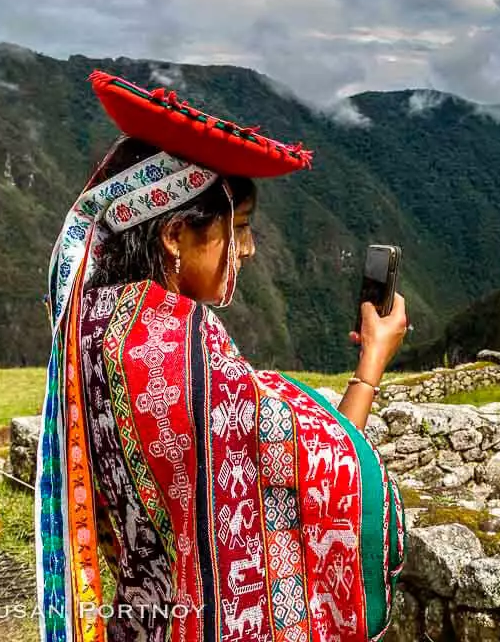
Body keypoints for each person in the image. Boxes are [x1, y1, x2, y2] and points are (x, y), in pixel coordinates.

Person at [37, 71, 407, 642]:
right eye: (239, 228)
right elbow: (323, 474)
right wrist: (372, 365)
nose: (250, 249)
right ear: (176, 233)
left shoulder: (90, 316)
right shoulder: (185, 349)